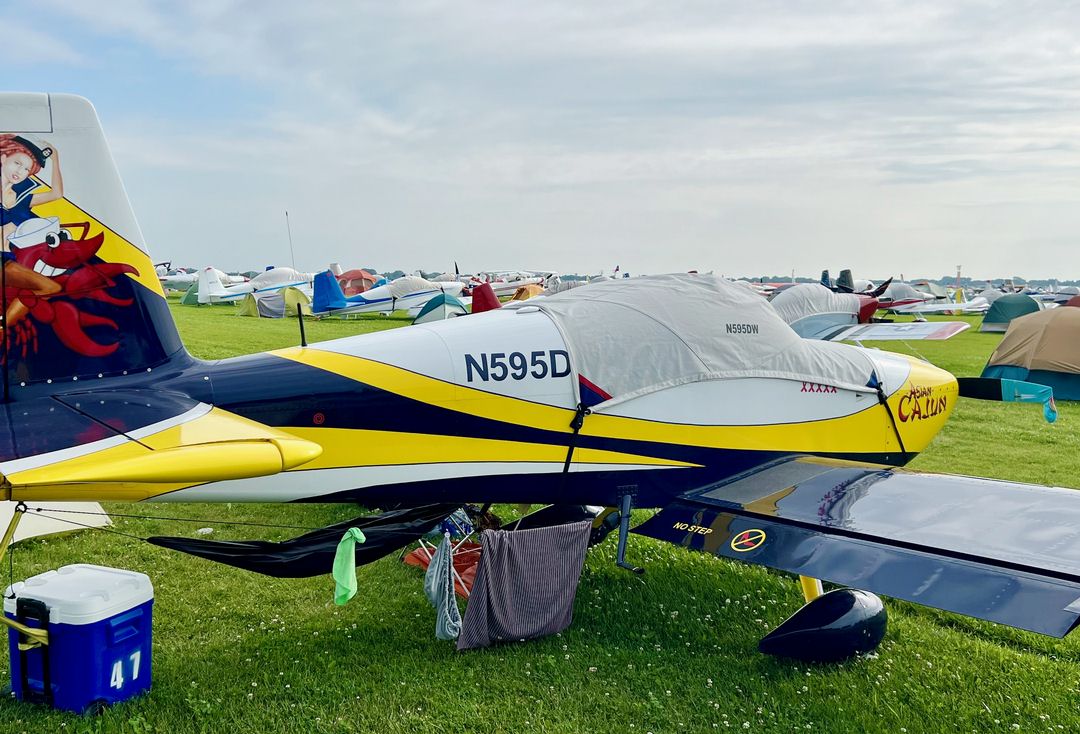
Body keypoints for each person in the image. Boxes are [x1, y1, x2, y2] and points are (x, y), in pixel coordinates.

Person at [0, 135, 64, 341]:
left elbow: (56, 194)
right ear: (3, 158)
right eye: (17, 163)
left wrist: (56, 159)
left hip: (8, 258)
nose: (20, 172)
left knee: (50, 287)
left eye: (26, 169)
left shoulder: (23, 199)